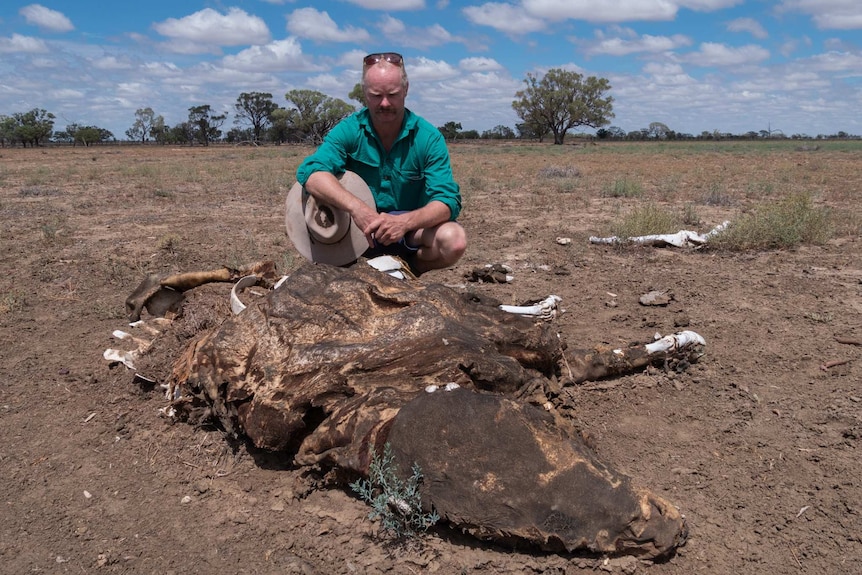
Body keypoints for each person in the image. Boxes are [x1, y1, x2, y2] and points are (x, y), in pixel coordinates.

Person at [295, 52, 466, 274]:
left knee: (454, 240)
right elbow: (312, 173)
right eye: (376, 95)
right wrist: (358, 209)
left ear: (405, 90)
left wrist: (403, 223)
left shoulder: (428, 137)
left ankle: (408, 272)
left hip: (410, 234)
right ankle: (350, 270)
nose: (385, 103)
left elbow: (446, 201)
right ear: (364, 93)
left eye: (392, 94)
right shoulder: (349, 130)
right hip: (355, 233)